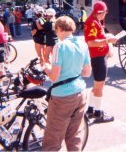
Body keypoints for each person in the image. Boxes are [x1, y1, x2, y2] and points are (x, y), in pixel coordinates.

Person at [42, 16, 92, 151]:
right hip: (81, 92)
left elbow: (54, 77)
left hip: (63, 96)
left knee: (53, 137)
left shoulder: (60, 46)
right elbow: (87, 73)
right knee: (74, 134)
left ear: (59, 28)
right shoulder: (83, 44)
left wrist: (46, 67)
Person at [84, 1, 118, 123]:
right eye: (105, 12)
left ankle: (91, 110)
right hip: (98, 57)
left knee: (96, 86)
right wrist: (108, 41)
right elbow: (91, 42)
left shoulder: (94, 20)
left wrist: (106, 41)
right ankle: (98, 113)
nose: (106, 14)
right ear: (101, 12)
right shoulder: (93, 22)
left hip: (99, 56)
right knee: (99, 88)